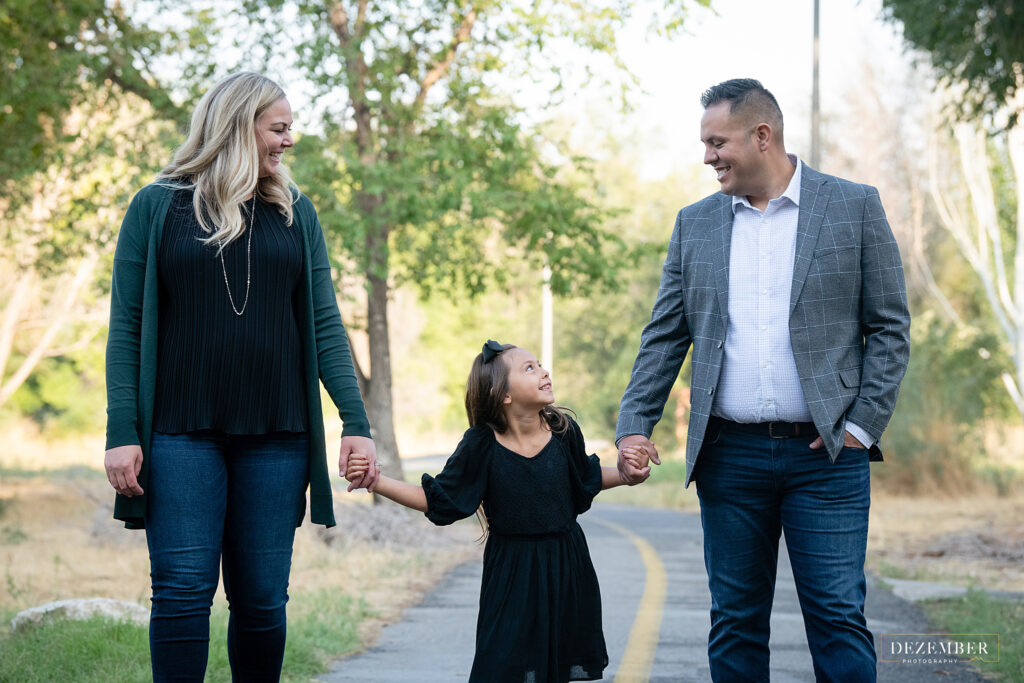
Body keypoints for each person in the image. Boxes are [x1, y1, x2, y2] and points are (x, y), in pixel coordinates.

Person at [615, 79, 910, 681]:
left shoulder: (853, 205)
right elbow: (665, 336)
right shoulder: (694, 224)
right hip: (730, 457)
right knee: (735, 621)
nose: (707, 156)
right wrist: (633, 426)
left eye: (717, 141)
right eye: (705, 144)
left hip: (827, 456)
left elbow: (889, 327)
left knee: (835, 617)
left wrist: (862, 425)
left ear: (762, 135)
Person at [102, 72, 380, 682]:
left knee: (260, 600)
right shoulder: (157, 206)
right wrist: (121, 431)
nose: (289, 141)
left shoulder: (295, 212)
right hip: (179, 434)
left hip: (279, 434)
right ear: (237, 126)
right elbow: (126, 329)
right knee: (180, 593)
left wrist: (353, 422)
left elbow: (325, 323)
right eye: (278, 128)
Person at [345, 340, 648, 683]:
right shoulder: (481, 444)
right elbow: (438, 500)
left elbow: (586, 479)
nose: (544, 371)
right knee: (503, 665)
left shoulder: (564, 431)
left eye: (540, 364)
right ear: (503, 395)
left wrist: (624, 475)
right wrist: (376, 481)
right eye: (529, 368)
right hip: (511, 572)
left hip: (566, 566)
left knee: (556, 665)